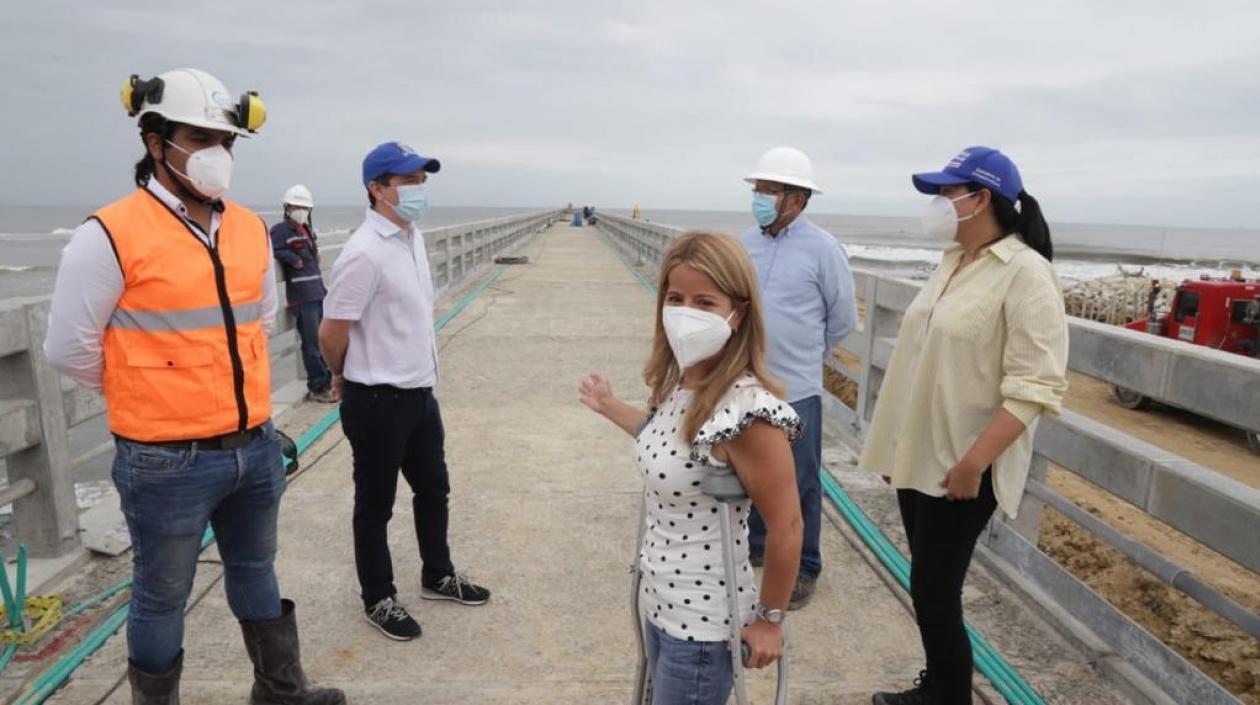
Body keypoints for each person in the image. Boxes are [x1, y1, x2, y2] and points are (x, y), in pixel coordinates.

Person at [44, 68, 344, 704]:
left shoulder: (244, 229)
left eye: (225, 140)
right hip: (164, 461)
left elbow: (258, 321)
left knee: (257, 571)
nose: (216, 154)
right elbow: (69, 349)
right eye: (199, 137)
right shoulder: (108, 235)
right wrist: (152, 391)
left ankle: (281, 692)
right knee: (160, 595)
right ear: (156, 143)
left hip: (255, 448)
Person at [861, 147, 1068, 705]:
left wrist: (974, 463)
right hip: (920, 453)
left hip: (965, 462)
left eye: (946, 193)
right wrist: (896, 451)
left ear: (980, 199)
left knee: (936, 589)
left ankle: (948, 696)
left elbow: (1036, 385)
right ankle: (941, 686)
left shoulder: (1027, 274)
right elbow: (923, 361)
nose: (937, 204)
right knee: (927, 582)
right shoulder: (953, 261)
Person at [579, 230, 804, 705]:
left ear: (736, 314)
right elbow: (665, 445)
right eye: (676, 298)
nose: (686, 313)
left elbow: (787, 525)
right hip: (657, 604)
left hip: (703, 629)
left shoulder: (749, 412)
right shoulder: (679, 385)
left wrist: (770, 619)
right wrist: (609, 405)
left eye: (705, 302)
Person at [319, 142, 491, 642]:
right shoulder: (363, 253)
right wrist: (341, 373)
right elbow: (332, 331)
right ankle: (379, 597)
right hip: (376, 400)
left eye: (422, 180)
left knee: (434, 488)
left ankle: (437, 574)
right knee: (375, 505)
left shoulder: (409, 237)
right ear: (377, 188)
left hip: (419, 394)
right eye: (407, 181)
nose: (418, 189)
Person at [740, 146, 857, 609]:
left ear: (798, 199)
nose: (761, 197)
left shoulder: (824, 250)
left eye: (770, 190)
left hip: (797, 390)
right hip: (746, 385)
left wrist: (807, 355)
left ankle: (805, 565)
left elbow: (842, 318)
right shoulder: (744, 243)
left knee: (802, 480)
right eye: (758, 189)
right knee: (748, 470)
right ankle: (756, 543)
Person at [270, 184, 335, 402]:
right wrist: (292, 259)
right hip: (302, 296)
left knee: (324, 340)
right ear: (287, 207)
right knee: (311, 343)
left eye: (305, 207)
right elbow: (273, 249)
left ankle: (329, 380)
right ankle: (318, 387)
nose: (301, 210)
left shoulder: (306, 230)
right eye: (297, 206)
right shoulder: (281, 231)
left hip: (317, 292)